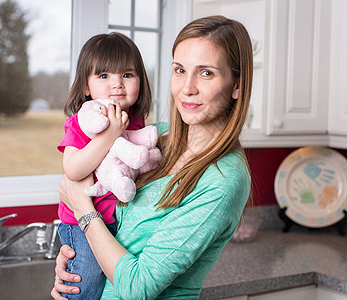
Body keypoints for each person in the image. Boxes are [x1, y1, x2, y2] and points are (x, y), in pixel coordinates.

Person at [52, 15, 253, 300]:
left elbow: (138, 288)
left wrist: (84, 211)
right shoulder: (156, 136)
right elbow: (110, 222)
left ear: (237, 86)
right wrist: (76, 262)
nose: (187, 87)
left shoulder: (223, 180)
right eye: (180, 70)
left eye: (206, 73)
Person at [56, 32, 152, 300]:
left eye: (128, 75)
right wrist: (110, 135)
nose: (117, 84)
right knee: (84, 286)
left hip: (118, 220)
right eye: (104, 76)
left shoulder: (136, 121)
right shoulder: (82, 122)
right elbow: (73, 171)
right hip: (81, 223)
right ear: (86, 86)